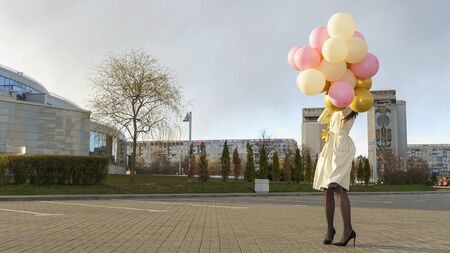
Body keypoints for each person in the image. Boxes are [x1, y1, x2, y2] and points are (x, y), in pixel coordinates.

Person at [313, 107, 358, 247]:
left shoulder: (351, 103)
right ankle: (330, 229)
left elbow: (345, 111)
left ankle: (348, 229)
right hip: (330, 147)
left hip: (340, 147)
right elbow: (321, 119)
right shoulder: (334, 105)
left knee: (337, 186)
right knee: (327, 189)